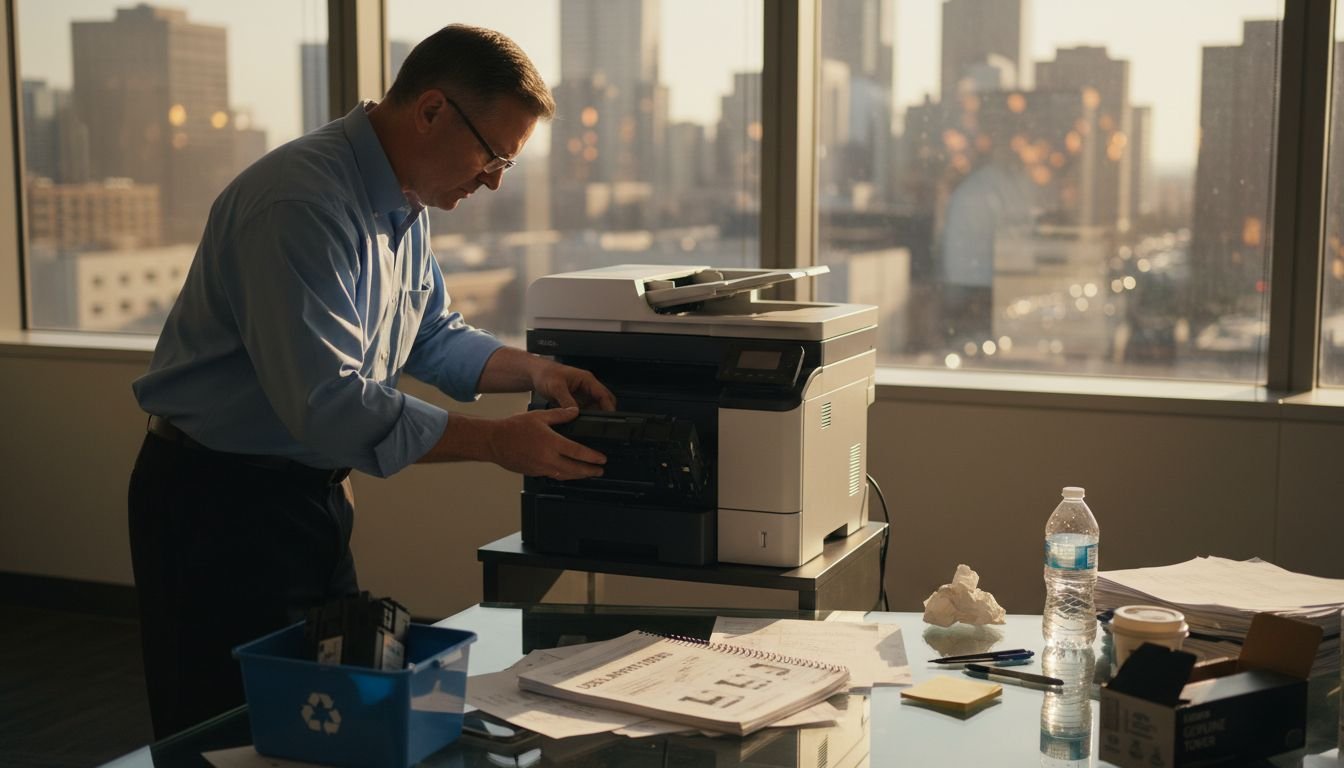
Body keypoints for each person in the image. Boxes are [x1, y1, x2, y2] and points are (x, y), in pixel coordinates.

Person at [128, 24, 614, 737]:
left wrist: (537, 370)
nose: (494, 181)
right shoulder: (302, 203)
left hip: (312, 499)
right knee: (224, 729)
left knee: (323, 719)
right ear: (432, 110)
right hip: (218, 503)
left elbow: (431, 335)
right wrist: (496, 444)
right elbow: (329, 403)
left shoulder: (403, 202)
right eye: (492, 155)